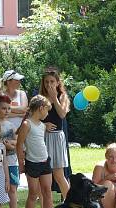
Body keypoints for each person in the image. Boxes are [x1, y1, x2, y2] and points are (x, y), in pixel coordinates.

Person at [16, 95, 54, 208]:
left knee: (47, 191)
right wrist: (21, 163)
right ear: (41, 108)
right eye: (47, 110)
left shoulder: (42, 125)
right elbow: (19, 144)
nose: (47, 113)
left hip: (45, 162)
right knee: (33, 193)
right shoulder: (27, 124)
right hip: (32, 163)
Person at [40, 68, 71, 199]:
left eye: (52, 81)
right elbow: (32, 118)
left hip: (57, 137)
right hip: (41, 137)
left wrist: (54, 99)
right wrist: (43, 125)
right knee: (42, 174)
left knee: (59, 175)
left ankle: (70, 202)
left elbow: (62, 114)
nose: (49, 85)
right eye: (46, 82)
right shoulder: (40, 99)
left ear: (58, 82)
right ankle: (44, 206)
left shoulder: (62, 96)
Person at [0, 95, 20, 208]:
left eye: (9, 108)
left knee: (13, 189)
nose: (7, 111)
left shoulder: (11, 125)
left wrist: (10, 144)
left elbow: (17, 141)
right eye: (4, 108)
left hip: (11, 161)